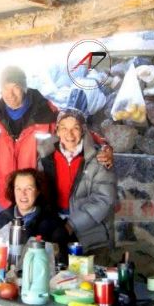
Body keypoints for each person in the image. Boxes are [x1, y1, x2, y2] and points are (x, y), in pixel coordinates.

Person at [0, 66, 114, 209]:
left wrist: (105, 146)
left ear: (24, 88)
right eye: (5, 88)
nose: (10, 94)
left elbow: (74, 130)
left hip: (35, 199)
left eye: (15, 87)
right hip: (5, 197)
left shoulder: (47, 113)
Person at [38, 108, 117, 264]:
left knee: (87, 280)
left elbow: (103, 200)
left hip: (90, 230)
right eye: (64, 128)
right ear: (57, 131)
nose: (70, 134)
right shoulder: (45, 157)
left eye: (75, 128)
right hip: (55, 223)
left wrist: (71, 225)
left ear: (83, 131)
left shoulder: (98, 159)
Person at [0, 168, 70, 254]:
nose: (23, 194)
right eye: (18, 189)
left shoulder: (52, 223)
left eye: (28, 188)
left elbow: (60, 255)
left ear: (38, 191)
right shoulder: (1, 219)